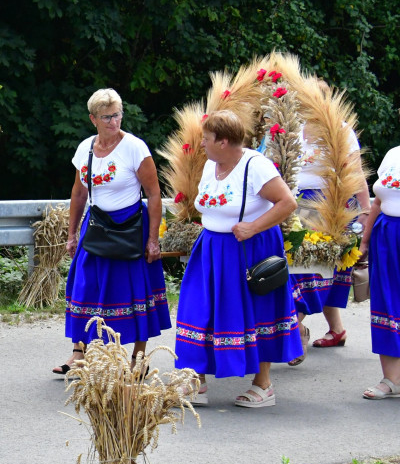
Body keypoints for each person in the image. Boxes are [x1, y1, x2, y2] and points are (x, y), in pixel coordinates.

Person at [174, 110, 302, 407]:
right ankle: (196, 380)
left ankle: (263, 385)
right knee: (197, 309)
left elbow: (288, 202)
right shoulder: (210, 165)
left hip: (249, 248)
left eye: (206, 139)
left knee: (258, 310)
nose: (201, 144)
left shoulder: (256, 167)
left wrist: (254, 226)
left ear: (223, 140)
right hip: (211, 249)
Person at [54, 88, 171, 375]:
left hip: (131, 228)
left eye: (117, 115)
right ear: (93, 119)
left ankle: (138, 359)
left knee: (134, 290)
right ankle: (78, 353)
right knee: (83, 287)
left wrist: (153, 239)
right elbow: (79, 194)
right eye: (106, 117)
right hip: (95, 227)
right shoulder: (85, 149)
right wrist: (71, 234)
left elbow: (154, 194)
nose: (113, 122)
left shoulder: (135, 148)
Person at [287, 81, 371, 363]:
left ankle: (297, 328)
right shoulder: (294, 129)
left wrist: (364, 211)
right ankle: (337, 329)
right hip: (297, 204)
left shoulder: (340, 129)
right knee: (308, 267)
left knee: (312, 268)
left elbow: (356, 172)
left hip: (329, 206)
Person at [359, 143, 400, 399]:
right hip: (386, 237)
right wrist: (365, 240)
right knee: (386, 302)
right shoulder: (393, 154)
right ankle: (392, 380)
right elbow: (378, 201)